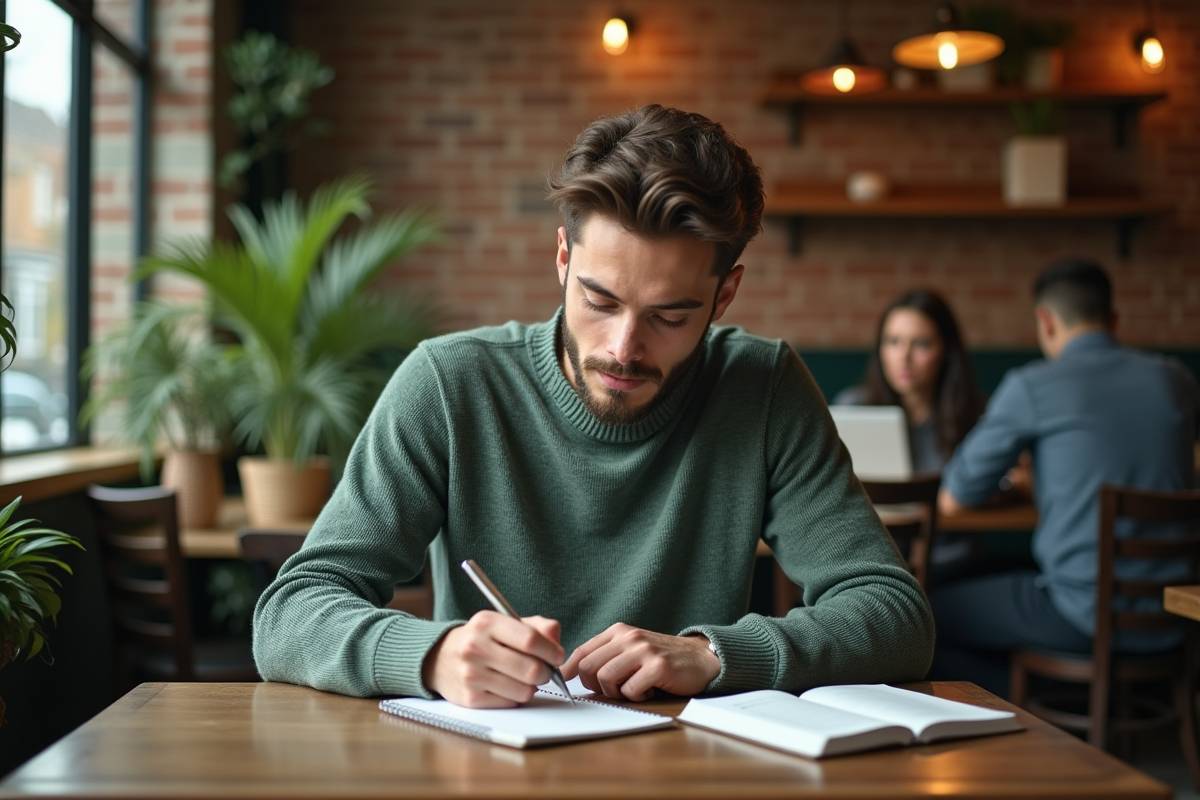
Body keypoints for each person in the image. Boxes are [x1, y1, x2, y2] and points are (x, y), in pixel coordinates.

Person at [253, 104, 934, 709]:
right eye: (600, 301)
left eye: (670, 315)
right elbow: (290, 612)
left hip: (691, 773)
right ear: (562, 258)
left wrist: (715, 655)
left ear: (724, 296)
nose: (623, 348)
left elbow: (895, 614)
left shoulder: (763, 388)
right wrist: (431, 657)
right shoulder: (449, 383)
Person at [930, 259, 1200, 698]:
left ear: (1045, 321)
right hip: (1176, 613)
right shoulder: (1177, 380)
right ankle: (1097, 702)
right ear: (1113, 319)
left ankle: (1043, 706)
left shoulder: (1033, 386)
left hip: (1080, 614)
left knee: (924, 617)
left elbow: (954, 498)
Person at [834, 288, 984, 475]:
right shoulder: (852, 409)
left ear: (946, 351)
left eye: (921, 343)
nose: (903, 357)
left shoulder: (977, 418)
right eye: (893, 342)